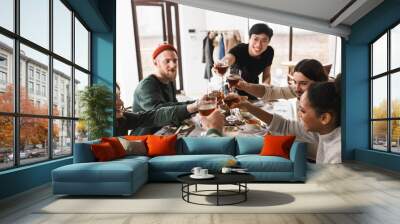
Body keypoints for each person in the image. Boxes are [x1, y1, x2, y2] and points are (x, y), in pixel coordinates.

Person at [231, 80, 342, 164]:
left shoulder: (337, 155)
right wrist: (246, 105)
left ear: (324, 118)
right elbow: (285, 126)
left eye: (302, 111)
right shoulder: (324, 131)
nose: (299, 115)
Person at [132, 43, 200, 135]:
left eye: (175, 60)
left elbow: (174, 105)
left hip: (166, 133)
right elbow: (162, 113)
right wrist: (194, 106)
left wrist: (198, 103)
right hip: (144, 141)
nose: (173, 65)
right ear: (155, 63)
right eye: (167, 61)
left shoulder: (169, 81)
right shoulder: (146, 86)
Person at [215, 23, 274, 100]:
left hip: (253, 90)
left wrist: (265, 87)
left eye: (264, 40)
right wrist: (221, 64)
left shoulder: (269, 52)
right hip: (233, 90)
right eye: (255, 39)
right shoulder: (240, 49)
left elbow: (266, 74)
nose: (259, 45)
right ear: (249, 39)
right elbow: (228, 58)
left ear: (268, 42)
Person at [235, 59, 329, 102]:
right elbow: (271, 92)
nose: (297, 88)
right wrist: (245, 86)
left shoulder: (330, 101)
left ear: (319, 82)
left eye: (303, 83)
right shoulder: (299, 90)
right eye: (295, 82)